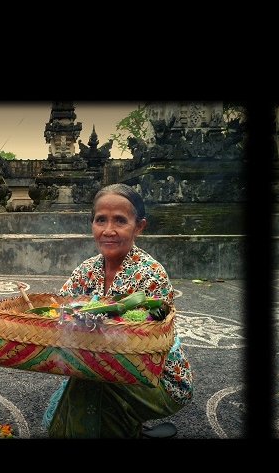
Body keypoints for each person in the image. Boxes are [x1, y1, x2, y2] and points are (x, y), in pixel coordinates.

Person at [46, 183, 194, 438]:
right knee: (90, 381)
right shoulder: (86, 270)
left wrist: (91, 327)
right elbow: (59, 311)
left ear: (139, 226)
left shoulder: (150, 275)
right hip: (102, 365)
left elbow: (147, 346)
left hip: (157, 377)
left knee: (88, 385)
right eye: (101, 220)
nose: (108, 230)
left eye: (120, 221)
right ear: (92, 223)